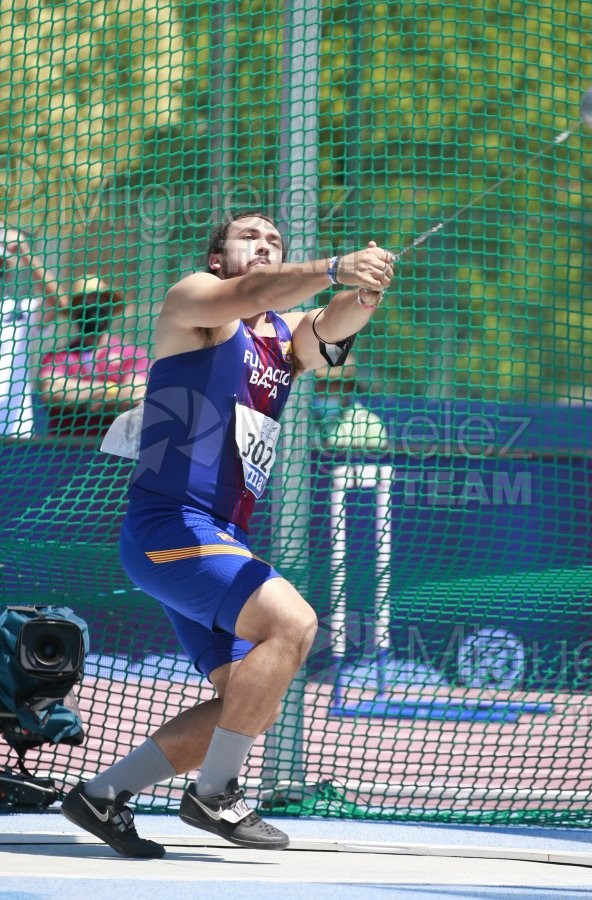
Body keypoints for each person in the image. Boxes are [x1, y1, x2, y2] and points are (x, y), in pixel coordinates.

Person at [60, 210, 394, 858]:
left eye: (276, 240)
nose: (266, 245)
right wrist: (330, 268)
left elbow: (326, 331)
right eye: (252, 237)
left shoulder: (281, 338)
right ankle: (216, 794)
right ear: (218, 258)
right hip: (169, 526)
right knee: (294, 626)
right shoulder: (198, 301)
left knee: (251, 701)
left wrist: (362, 294)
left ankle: (101, 795)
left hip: (219, 537)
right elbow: (254, 293)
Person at [38, 277, 149, 437]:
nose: (93, 309)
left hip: (116, 454)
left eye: (99, 302)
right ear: (75, 312)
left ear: (110, 309)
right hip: (65, 452)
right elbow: (51, 392)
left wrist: (79, 399)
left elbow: (136, 396)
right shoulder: (58, 356)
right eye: (84, 304)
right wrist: (111, 390)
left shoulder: (132, 354)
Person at [0, 224, 67, 438]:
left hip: (14, 431)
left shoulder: (18, 310)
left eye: (1, 267)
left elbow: (58, 302)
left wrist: (24, 251)